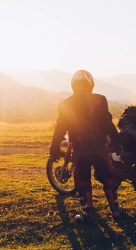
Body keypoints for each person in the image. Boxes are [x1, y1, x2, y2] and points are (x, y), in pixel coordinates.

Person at [49, 70, 123, 222]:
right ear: (90, 84)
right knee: (108, 178)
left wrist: (54, 147)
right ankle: (115, 209)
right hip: (99, 148)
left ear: (73, 85)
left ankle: (88, 212)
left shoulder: (64, 104)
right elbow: (107, 123)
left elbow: (60, 128)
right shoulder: (100, 99)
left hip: (80, 151)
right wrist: (116, 141)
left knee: (82, 181)